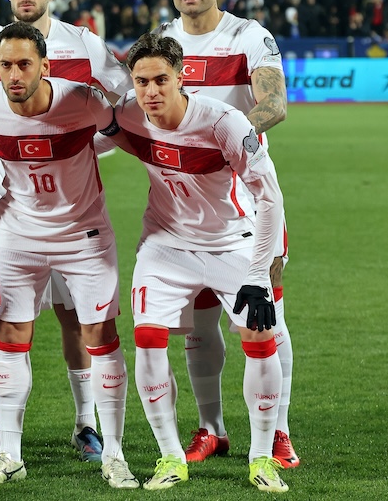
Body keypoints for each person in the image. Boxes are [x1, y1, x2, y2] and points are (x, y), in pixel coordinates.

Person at [0, 0, 132, 462]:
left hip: (74, 206)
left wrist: (79, 145)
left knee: (75, 316)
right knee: (5, 317)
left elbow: (119, 107)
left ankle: (85, 423)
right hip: (7, 204)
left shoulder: (87, 46)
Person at [114, 33, 288, 493]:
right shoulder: (128, 113)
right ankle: (170, 456)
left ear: (181, 77)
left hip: (233, 241)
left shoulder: (225, 122)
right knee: (148, 339)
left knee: (261, 334)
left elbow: (269, 198)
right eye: (141, 82)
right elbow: (84, 136)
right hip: (165, 244)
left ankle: (261, 457)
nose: (150, 92)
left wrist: (257, 275)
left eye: (160, 80)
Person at [155, 0, 297, 469]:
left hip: (249, 196)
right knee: (198, 322)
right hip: (186, 204)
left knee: (268, 316)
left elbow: (275, 104)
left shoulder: (248, 35)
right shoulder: (163, 42)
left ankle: (278, 430)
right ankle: (212, 428)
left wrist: (225, 138)